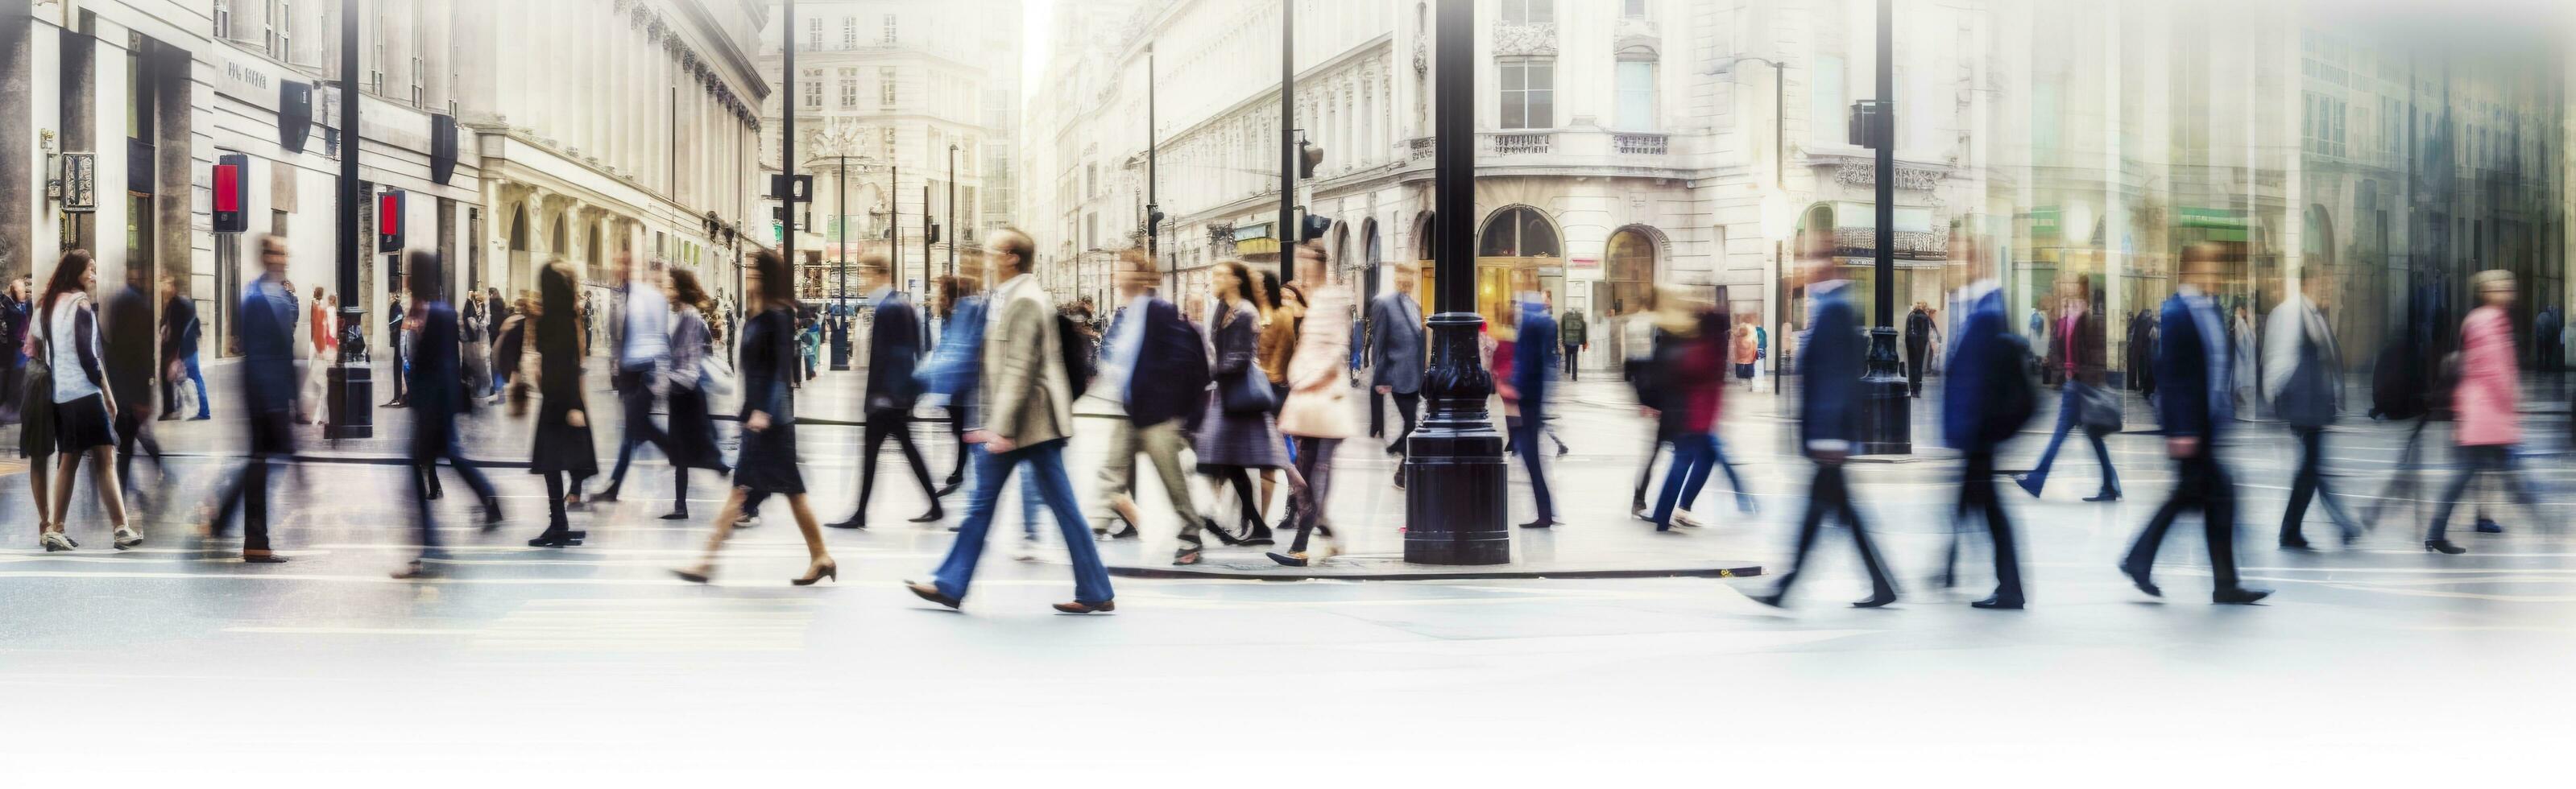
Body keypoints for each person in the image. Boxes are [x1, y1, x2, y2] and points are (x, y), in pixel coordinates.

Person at [905, 229, 1117, 613]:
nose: (986, 256)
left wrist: (1000, 428)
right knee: (986, 506)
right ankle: (953, 584)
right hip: (1019, 424)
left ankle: (1094, 589)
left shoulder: (1025, 300)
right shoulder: (1007, 297)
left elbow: (1020, 369)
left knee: (1049, 508)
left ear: (1011, 257)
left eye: (993, 250)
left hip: (1032, 426)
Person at [673, 250, 839, 585]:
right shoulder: (757, 315)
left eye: (753, 272)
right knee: (788, 491)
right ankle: (820, 556)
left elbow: (779, 368)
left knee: (743, 492)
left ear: (765, 276)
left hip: (770, 422)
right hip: (760, 418)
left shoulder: (777, 315)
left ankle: (706, 562)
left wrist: (762, 411)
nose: (749, 276)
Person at [1752, 233, 1896, 609]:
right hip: (1828, 437)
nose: (1803, 268)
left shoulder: (1833, 311)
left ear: (1826, 265)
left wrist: (1829, 437)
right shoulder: (1828, 308)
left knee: (1818, 514)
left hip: (1829, 438)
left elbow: (1834, 378)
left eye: (1810, 260)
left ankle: (1787, 588)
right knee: (1841, 513)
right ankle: (1881, 584)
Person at [2122, 243, 2272, 604]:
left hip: (2206, 424)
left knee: (2205, 499)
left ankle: (2146, 563)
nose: (2216, 273)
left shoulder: (2209, 308)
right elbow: (2171, 375)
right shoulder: (2176, 312)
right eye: (2209, 265)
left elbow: (2212, 367)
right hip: (2190, 429)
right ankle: (2219, 583)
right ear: (2189, 268)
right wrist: (2182, 430)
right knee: (2205, 498)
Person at [1085, 250, 1215, 564]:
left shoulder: (1159, 311)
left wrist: (1173, 405)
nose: (1117, 275)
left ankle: (1190, 534)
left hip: (1157, 415)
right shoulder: (1125, 314)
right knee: (1110, 473)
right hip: (1130, 411)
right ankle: (1091, 533)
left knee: (1172, 480)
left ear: (1143, 276)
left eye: (1124, 269)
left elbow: (1184, 360)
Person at [390, 252, 503, 579]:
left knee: (421, 472)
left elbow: (443, 367)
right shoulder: (431, 311)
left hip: (433, 409)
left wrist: (426, 405)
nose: (408, 279)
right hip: (435, 408)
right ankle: (486, 503)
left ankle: (432, 546)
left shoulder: (435, 314)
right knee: (450, 460)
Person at [1940, 232, 2031, 609]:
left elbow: (1979, 378)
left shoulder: (1987, 311)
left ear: (1978, 263)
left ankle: (2009, 587)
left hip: (1980, 431)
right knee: (1973, 502)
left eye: (1963, 259)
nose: (1957, 266)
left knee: (1990, 508)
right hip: (1978, 431)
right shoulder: (1982, 307)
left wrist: (1967, 429)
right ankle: (1949, 565)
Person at [29, 250, 141, 553]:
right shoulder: (80, 305)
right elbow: (88, 355)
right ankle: (120, 528)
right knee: (106, 459)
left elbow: (38, 345)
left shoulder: (50, 304)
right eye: (90, 270)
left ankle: (56, 528)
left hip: (61, 394)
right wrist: (107, 394)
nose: (94, 275)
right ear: (76, 272)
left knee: (69, 460)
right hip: (84, 391)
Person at [201, 238, 303, 562]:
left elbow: (286, 351)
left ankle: (228, 524)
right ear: (264, 258)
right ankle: (252, 539)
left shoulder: (280, 296)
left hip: (273, 394)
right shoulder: (256, 298)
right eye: (274, 253)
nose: (280, 258)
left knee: (258, 464)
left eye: (284, 253)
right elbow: (255, 351)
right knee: (259, 465)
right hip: (262, 396)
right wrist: (275, 403)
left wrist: (295, 398)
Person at [2424, 269, 2536, 555]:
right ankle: (2546, 525)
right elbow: (2494, 370)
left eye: (2509, 286)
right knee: (2483, 476)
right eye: (2501, 287)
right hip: (2485, 415)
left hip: (2484, 415)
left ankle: (2441, 532)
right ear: (2487, 292)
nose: (2508, 291)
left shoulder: (2487, 320)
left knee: (2481, 475)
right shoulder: (2488, 321)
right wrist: (2511, 401)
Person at [827, 254, 942, 530]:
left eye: (866, 273)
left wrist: (880, 395)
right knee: (902, 451)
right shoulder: (902, 305)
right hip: (896, 396)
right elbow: (915, 349)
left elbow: (888, 356)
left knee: (873, 454)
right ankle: (931, 506)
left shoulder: (889, 308)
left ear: (879, 273)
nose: (864, 280)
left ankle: (861, 513)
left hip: (887, 398)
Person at [1195, 260, 1298, 547]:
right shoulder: (1223, 309)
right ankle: (1253, 524)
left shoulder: (1245, 312)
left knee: (1218, 464)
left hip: (1240, 397)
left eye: (1220, 275)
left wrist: (1206, 373)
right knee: (1226, 464)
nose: (1213, 279)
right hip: (1227, 396)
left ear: (1236, 280)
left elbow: (1239, 359)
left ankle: (1213, 520)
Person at [1270, 243, 1355, 567]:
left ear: (1319, 262)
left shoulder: (1332, 298)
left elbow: (1337, 347)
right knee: (1304, 469)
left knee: (1318, 471)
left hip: (1328, 397)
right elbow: (1305, 347)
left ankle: (1300, 544)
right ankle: (1328, 532)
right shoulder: (1309, 299)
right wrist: (1296, 377)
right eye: (1300, 261)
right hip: (1307, 398)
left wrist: (1309, 379)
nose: (1303, 267)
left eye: (1307, 261)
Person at [2265, 270, 2360, 549]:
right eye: (2324, 283)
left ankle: (2291, 530)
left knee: (2310, 468)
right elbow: (2278, 357)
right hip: (2302, 402)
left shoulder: (2315, 314)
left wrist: (2336, 394)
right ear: (2308, 282)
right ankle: (2340, 523)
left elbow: (2329, 357)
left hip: (2314, 403)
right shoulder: (2291, 312)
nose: (2328, 289)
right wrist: (2277, 396)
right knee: (2313, 466)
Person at [2015, 275, 2122, 502]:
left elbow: (2096, 358)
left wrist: (2078, 376)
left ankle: (2037, 479)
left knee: (2060, 436)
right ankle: (2110, 485)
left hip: (2081, 389)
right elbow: (2060, 351)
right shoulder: (2067, 320)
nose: (2071, 298)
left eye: (2076, 293)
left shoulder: (2090, 321)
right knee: (2093, 438)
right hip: (2075, 387)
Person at [1644, 293, 1742, 532]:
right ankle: (1668, 513)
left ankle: (1668, 513)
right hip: (1693, 417)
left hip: (1693, 416)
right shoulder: (1705, 348)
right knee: (1690, 461)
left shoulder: (1699, 345)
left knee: (1697, 460)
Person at [525, 261, 599, 547]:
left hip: (558, 400)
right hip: (564, 399)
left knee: (550, 462)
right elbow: (572, 362)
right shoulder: (566, 317)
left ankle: (558, 523)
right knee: (560, 459)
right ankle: (560, 521)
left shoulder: (552, 320)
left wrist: (570, 405)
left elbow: (563, 363)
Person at [595, 254, 678, 504]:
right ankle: (681, 452)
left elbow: (661, 337)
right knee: (640, 430)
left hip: (645, 374)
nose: (620, 269)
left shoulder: (649, 298)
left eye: (626, 265)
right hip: (628, 376)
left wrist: (658, 377)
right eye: (619, 264)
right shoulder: (621, 296)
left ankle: (614, 488)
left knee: (633, 432)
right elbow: (619, 337)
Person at [660, 267, 730, 521]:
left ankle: (741, 492)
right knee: (684, 453)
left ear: (680, 289)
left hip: (686, 394)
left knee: (700, 453)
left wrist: (663, 381)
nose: (666, 291)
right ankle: (680, 506)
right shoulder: (683, 315)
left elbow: (688, 364)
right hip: (683, 393)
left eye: (670, 286)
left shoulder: (689, 317)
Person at [105, 269, 165, 512]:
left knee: (128, 440)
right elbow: (142, 355)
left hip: (121, 387)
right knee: (130, 440)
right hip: (131, 389)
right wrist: (144, 395)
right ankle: (125, 485)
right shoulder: (139, 306)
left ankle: (124, 485)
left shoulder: (121, 301)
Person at [1369, 262, 1425, 486]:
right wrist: (1379, 377)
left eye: (1410, 278)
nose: (1407, 282)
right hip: (1396, 375)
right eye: (1402, 277)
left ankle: (1402, 466)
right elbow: (1379, 342)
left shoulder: (1415, 306)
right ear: (1395, 280)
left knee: (1412, 423)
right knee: (1412, 422)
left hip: (1414, 377)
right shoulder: (1384, 304)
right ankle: (1400, 456)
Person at [1509, 293, 1559, 529]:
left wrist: (1514, 386)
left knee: (1530, 454)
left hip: (1527, 396)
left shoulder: (1529, 325)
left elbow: (1526, 361)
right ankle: (1548, 511)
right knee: (1530, 454)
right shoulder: (1547, 324)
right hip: (1537, 395)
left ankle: (1546, 513)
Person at [299, 288, 336, 424]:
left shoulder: (320, 309)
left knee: (321, 384)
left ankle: (318, 415)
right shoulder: (323, 310)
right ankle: (319, 415)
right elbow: (324, 331)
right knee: (322, 384)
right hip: (324, 350)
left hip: (322, 348)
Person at [1904, 300, 1938, 397]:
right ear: (1924, 308)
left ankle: (1911, 387)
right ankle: (1917, 388)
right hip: (1920, 345)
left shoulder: (1910, 316)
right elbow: (1925, 334)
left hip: (1910, 344)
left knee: (1911, 366)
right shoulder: (1925, 318)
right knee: (1919, 366)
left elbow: (1907, 331)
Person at [382, 290, 408, 407]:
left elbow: (395, 324)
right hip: (399, 341)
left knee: (400, 368)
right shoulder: (397, 307)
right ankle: (399, 396)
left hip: (400, 341)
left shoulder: (397, 307)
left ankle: (400, 396)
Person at [1559, 304, 1587, 382]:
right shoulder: (1579, 317)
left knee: (1567, 358)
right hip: (1576, 342)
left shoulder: (1565, 316)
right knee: (1574, 360)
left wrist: (1563, 341)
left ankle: (1567, 373)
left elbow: (1563, 330)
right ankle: (1574, 377)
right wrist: (1584, 342)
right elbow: (1583, 330)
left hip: (1568, 341)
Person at [1733, 320, 1759, 391]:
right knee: (1750, 372)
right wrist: (1754, 356)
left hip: (1740, 359)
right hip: (1749, 359)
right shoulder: (1751, 340)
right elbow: (1754, 348)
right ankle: (1749, 383)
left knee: (1740, 371)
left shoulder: (1738, 339)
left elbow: (1734, 336)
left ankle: (1741, 383)